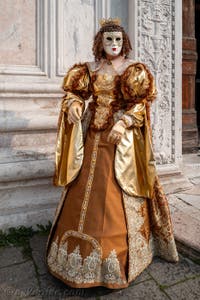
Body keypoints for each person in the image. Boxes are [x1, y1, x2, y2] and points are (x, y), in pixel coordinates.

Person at [46, 18, 179, 289]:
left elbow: (140, 104)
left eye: (118, 40)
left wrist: (124, 121)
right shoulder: (89, 69)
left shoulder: (133, 70)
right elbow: (74, 93)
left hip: (119, 140)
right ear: (100, 42)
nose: (114, 44)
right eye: (109, 40)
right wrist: (73, 105)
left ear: (125, 42)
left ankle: (116, 261)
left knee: (113, 190)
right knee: (83, 189)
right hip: (92, 135)